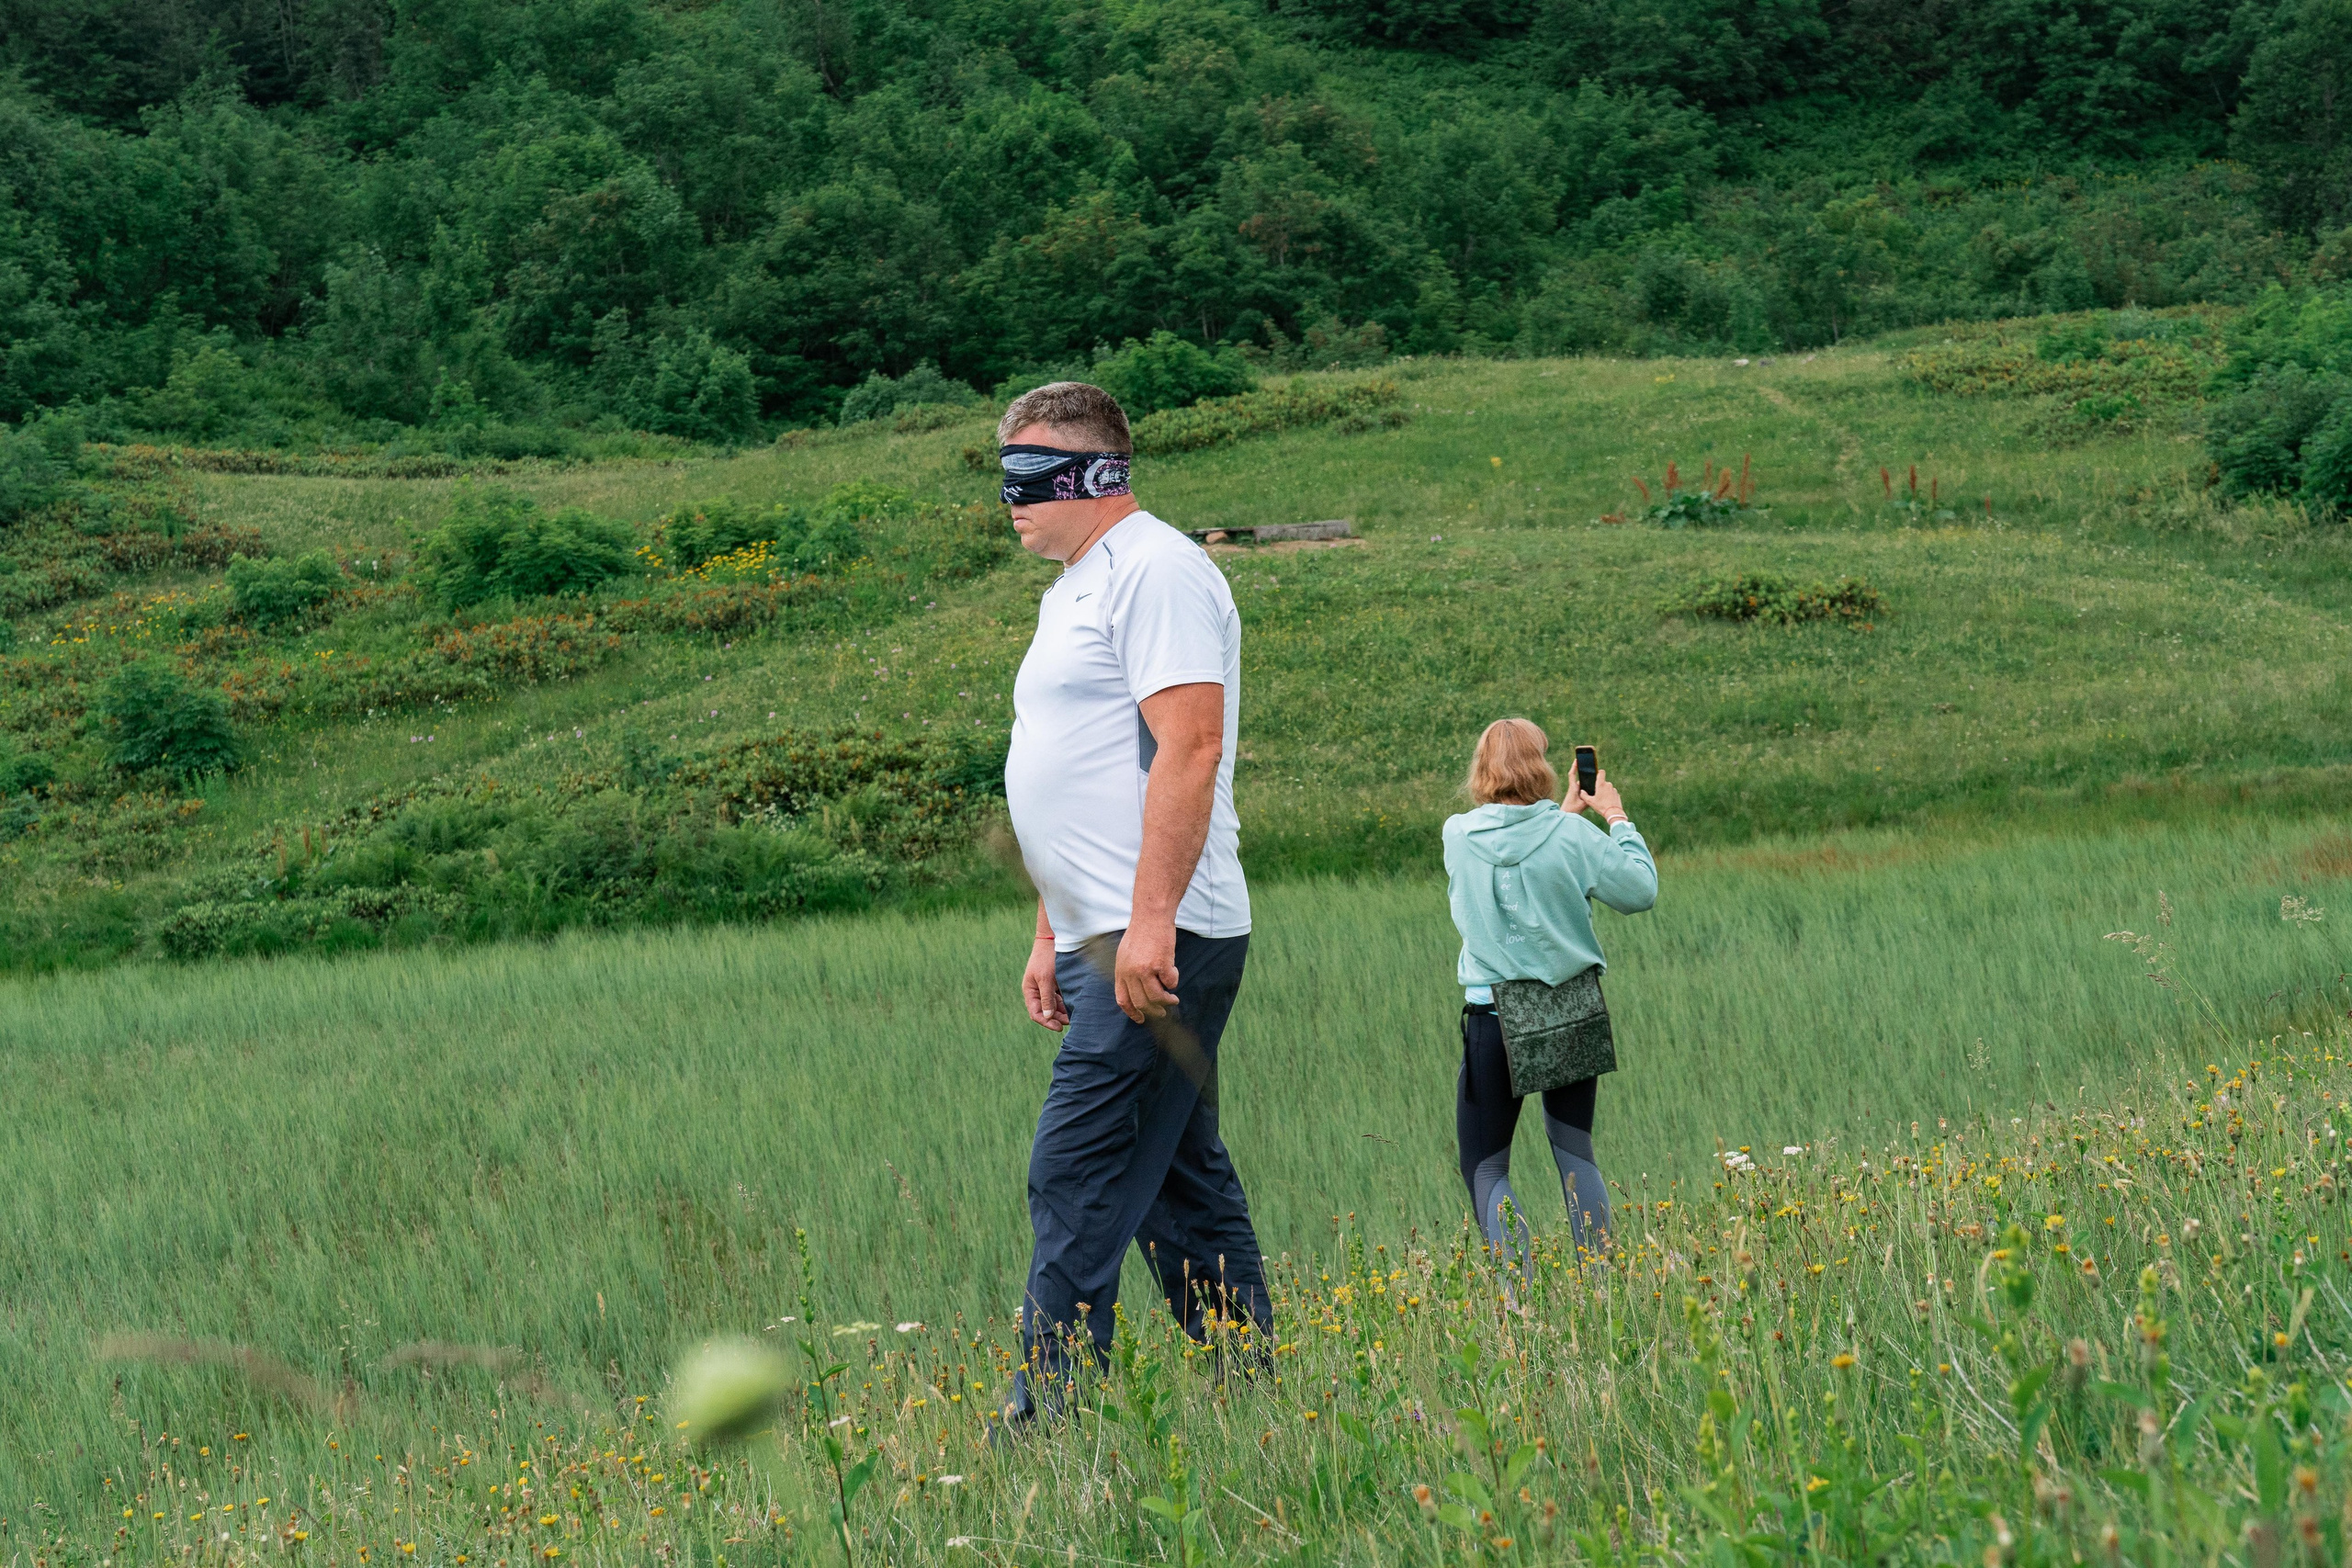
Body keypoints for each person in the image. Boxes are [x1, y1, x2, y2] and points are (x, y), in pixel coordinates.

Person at [994, 380, 1267, 1425]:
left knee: (1075, 1167)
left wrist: (1148, 924)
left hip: (1163, 932)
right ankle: (1252, 1395)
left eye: (1026, 475)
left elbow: (1188, 745)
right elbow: (1072, 767)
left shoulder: (1157, 569)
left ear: (1092, 472)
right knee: (1175, 1180)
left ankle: (1048, 1423)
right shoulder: (1074, 586)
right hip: (1099, 932)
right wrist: (1051, 927)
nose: (1010, 500)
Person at [1444, 718, 1657, 1264]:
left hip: (1493, 1017)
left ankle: (1517, 1297)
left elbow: (1517, 863)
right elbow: (1640, 891)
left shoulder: (1457, 835)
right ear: (1539, 766)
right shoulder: (1571, 836)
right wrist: (1614, 816)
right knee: (1574, 1154)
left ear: (1482, 769)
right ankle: (1601, 1282)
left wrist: (1563, 816)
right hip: (1570, 1008)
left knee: (1487, 1168)